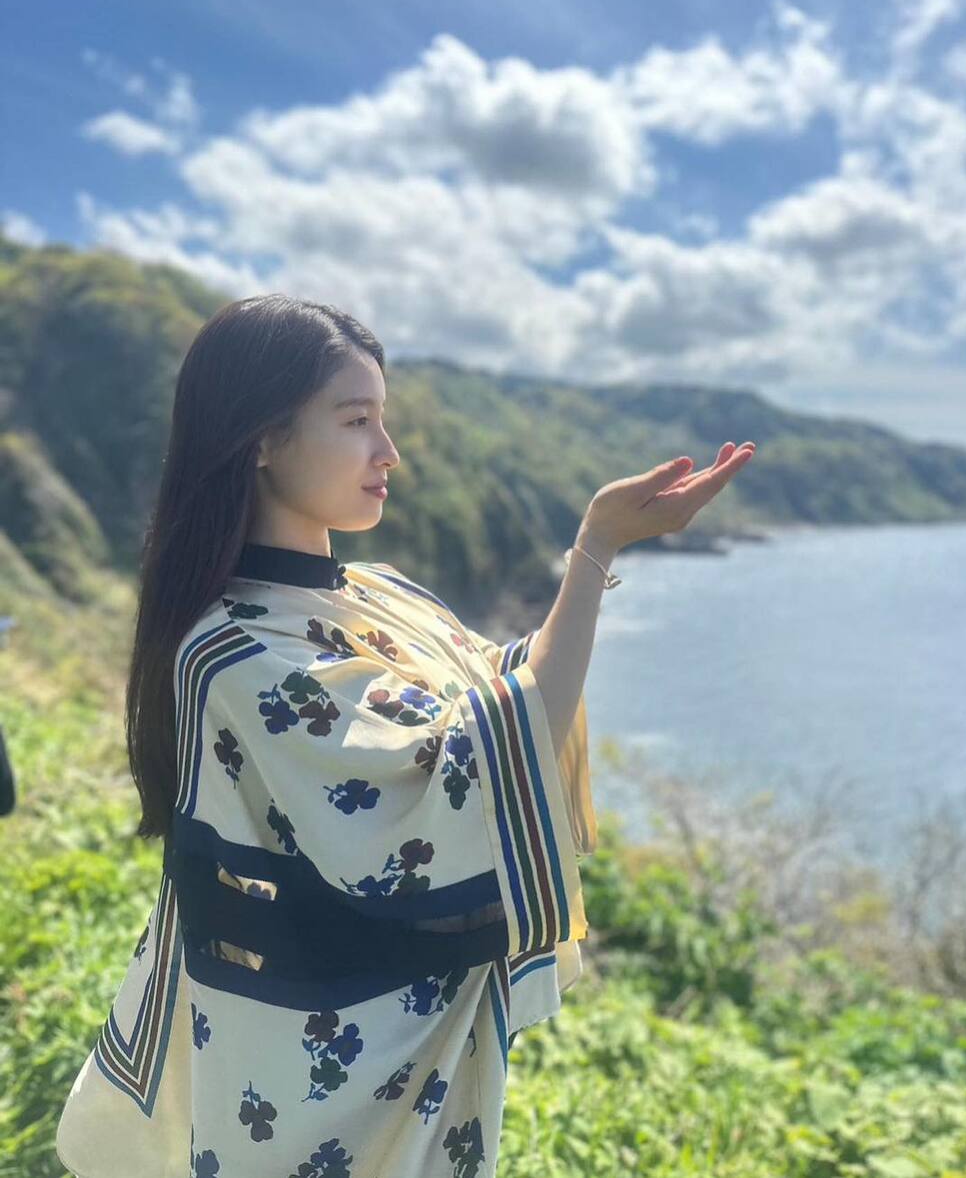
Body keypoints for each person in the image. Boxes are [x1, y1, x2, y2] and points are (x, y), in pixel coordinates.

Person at [55, 293, 755, 1177]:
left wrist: (598, 555)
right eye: (357, 421)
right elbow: (469, 762)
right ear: (262, 439)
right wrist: (593, 551)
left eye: (383, 420)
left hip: (397, 1028)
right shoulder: (234, 649)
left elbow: (505, 700)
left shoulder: (377, 592)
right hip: (313, 1060)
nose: (389, 451)